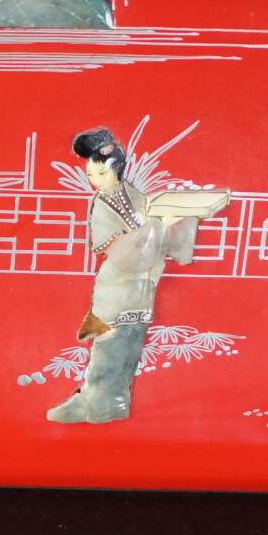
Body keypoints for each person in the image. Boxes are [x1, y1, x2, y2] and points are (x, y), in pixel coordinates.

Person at [47, 127, 198, 424]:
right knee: (109, 349)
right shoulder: (102, 205)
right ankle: (95, 404)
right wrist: (156, 227)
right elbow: (121, 251)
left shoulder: (135, 196)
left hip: (142, 286)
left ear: (116, 167)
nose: (96, 180)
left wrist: (176, 218)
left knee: (131, 350)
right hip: (117, 285)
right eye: (91, 175)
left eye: (101, 173)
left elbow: (155, 230)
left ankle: (115, 403)